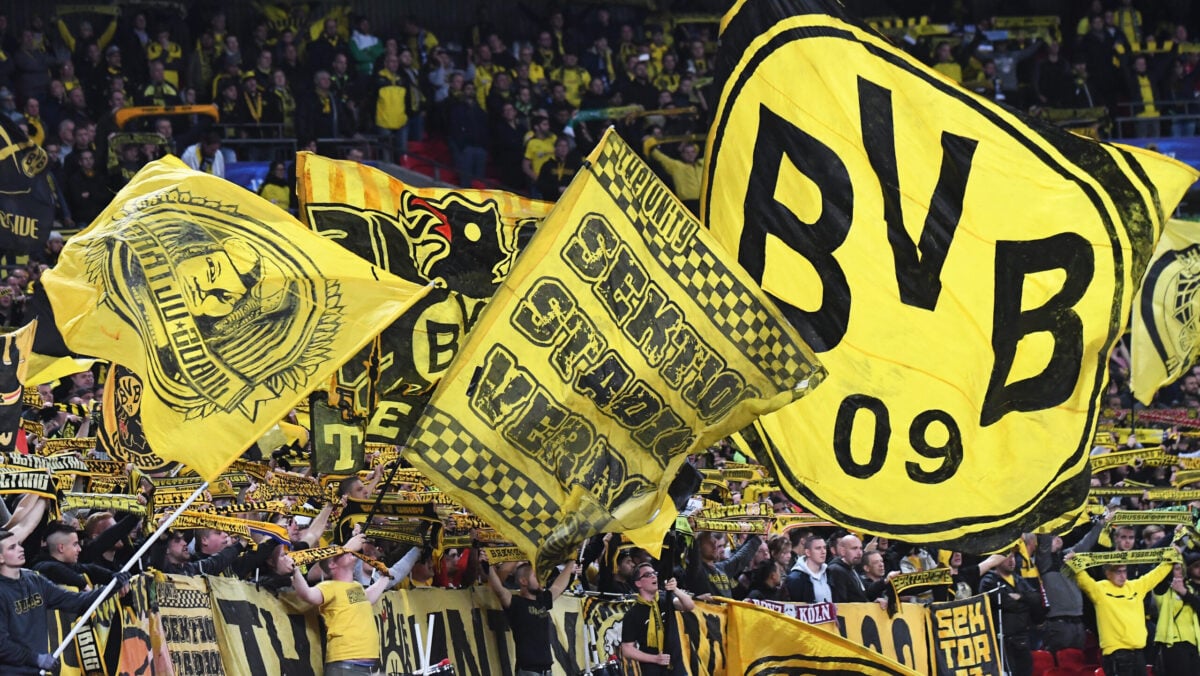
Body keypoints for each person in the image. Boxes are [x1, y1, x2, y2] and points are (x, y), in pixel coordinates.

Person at [0, 528, 128, 674]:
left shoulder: (35, 580)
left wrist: (111, 587)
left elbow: (76, 601)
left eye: (19, 544)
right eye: (12, 547)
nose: (20, 549)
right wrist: (35, 658)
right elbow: (2, 645)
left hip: (36, 671)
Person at [1066, 546, 1180, 676]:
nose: (1122, 575)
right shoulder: (1099, 589)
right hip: (1116, 655)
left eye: (1124, 571)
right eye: (1117, 572)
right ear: (1108, 573)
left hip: (1138, 653)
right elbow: (1084, 581)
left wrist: (1170, 557)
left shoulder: (1135, 587)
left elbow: (1156, 575)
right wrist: (1074, 561)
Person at [291, 546, 393, 676]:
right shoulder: (329, 586)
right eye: (342, 552)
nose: (349, 551)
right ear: (332, 564)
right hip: (345, 665)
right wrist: (295, 571)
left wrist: (385, 577)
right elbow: (307, 594)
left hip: (366, 666)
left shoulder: (356, 586)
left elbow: (369, 598)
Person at [483, 552, 577, 676]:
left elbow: (558, 586)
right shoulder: (516, 603)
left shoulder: (542, 600)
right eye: (535, 576)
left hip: (547, 670)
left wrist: (572, 560)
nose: (540, 580)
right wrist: (486, 564)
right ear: (523, 581)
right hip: (528, 671)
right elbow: (499, 590)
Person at [621, 562, 695, 675]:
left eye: (654, 573)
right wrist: (655, 659)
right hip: (652, 669)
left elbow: (689, 606)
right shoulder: (632, 614)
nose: (653, 576)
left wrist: (675, 590)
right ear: (638, 583)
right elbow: (627, 649)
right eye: (647, 575)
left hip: (676, 665)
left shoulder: (666, 598)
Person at [979, 549, 1043, 676]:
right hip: (1003, 640)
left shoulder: (1018, 579)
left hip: (1023, 636)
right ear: (996, 561)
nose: (1011, 561)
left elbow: (1037, 598)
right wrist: (1027, 602)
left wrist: (1021, 597)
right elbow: (1007, 604)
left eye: (1013, 557)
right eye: (1007, 557)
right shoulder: (989, 581)